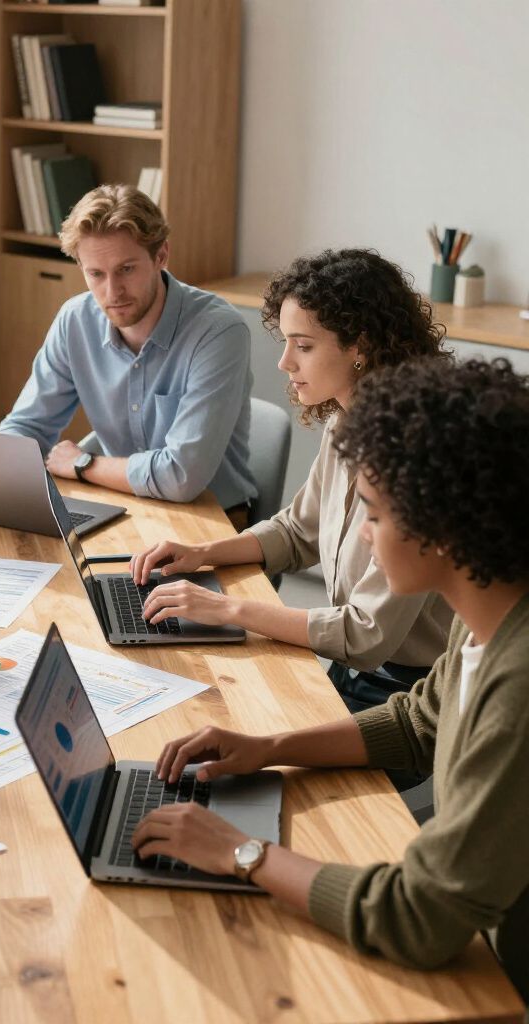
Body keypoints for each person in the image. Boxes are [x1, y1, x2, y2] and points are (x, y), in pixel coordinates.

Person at [131, 357, 529, 1000]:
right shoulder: (490, 608)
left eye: (372, 513)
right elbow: (417, 719)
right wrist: (269, 749)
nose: (364, 540)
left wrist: (243, 854)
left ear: (443, 527)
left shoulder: (519, 685)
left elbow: (420, 918)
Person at [130, 249, 454, 713]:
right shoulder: (346, 422)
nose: (284, 362)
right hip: (347, 664)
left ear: (360, 346)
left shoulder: (419, 459)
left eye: (303, 346)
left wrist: (228, 610)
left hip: (409, 693)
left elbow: (365, 635)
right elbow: (298, 531)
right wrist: (205, 553)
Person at [0, 184, 257, 529]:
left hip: (212, 522)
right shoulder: (75, 320)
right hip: (121, 507)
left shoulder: (219, 332)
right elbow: (27, 427)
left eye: (126, 269)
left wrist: (83, 464)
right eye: (96, 274)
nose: (112, 292)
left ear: (161, 255)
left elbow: (182, 477)